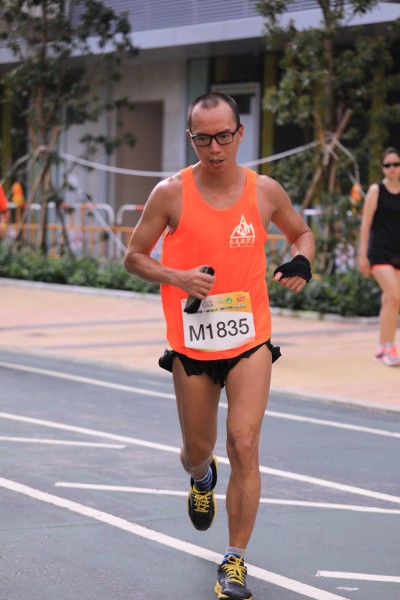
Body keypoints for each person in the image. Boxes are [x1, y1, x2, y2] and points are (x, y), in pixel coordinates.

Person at [124, 92, 315, 600]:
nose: (215, 148)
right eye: (204, 139)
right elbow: (134, 257)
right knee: (197, 449)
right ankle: (201, 476)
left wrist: (301, 260)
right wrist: (178, 277)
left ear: (239, 133)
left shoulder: (264, 191)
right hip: (192, 346)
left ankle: (234, 560)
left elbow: (301, 233)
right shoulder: (170, 193)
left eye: (224, 136)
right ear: (191, 138)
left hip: (249, 340)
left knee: (244, 443)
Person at [358, 147, 400, 367]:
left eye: (396, 164)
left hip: (398, 252)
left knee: (389, 300)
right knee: (395, 297)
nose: (392, 168)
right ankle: (390, 347)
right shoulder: (376, 190)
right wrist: (362, 255)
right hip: (380, 252)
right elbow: (365, 225)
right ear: (382, 167)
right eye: (387, 165)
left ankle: (382, 347)